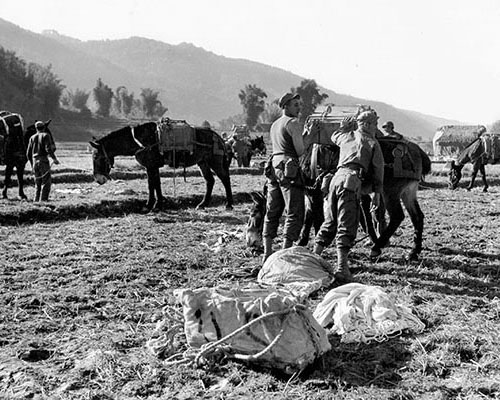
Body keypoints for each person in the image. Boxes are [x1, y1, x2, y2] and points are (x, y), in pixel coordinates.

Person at [313, 110, 384, 282]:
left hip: (335, 180)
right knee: (347, 223)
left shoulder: (345, 136)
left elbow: (334, 136)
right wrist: (377, 193)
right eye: (374, 123)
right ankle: (341, 267)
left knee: (330, 221)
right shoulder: (372, 142)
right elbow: (378, 170)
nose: (376, 127)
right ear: (367, 124)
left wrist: (343, 127)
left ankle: (314, 258)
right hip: (351, 182)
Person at [262, 92, 310, 263]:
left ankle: (267, 252)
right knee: (294, 211)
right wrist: (309, 136)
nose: (299, 108)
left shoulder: (274, 124)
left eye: (299, 104)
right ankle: (285, 254)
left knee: (272, 210)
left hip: (274, 166)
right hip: (288, 168)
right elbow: (299, 150)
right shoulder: (294, 123)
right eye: (295, 105)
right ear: (286, 107)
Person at [26, 121, 59, 202]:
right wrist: (54, 159)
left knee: (37, 183)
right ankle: (43, 200)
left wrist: (32, 163)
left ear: (36, 128)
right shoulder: (46, 135)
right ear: (44, 127)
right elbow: (48, 149)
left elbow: (28, 153)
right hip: (43, 161)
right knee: (46, 182)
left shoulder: (32, 137)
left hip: (34, 161)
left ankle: (36, 200)